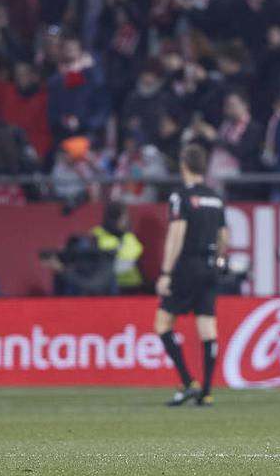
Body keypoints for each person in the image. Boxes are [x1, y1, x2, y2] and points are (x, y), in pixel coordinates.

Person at [155, 144, 227, 408]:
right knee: (207, 328)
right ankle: (206, 392)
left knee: (163, 324)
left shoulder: (181, 197)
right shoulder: (216, 197)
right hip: (209, 268)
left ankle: (188, 382)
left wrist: (165, 272)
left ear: (183, 164)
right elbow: (223, 237)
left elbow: (176, 235)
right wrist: (218, 261)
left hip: (186, 266)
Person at [91, 201, 144, 294]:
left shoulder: (129, 236)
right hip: (106, 285)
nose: (127, 219)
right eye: (123, 216)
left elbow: (135, 253)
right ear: (114, 217)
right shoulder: (98, 234)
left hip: (131, 284)